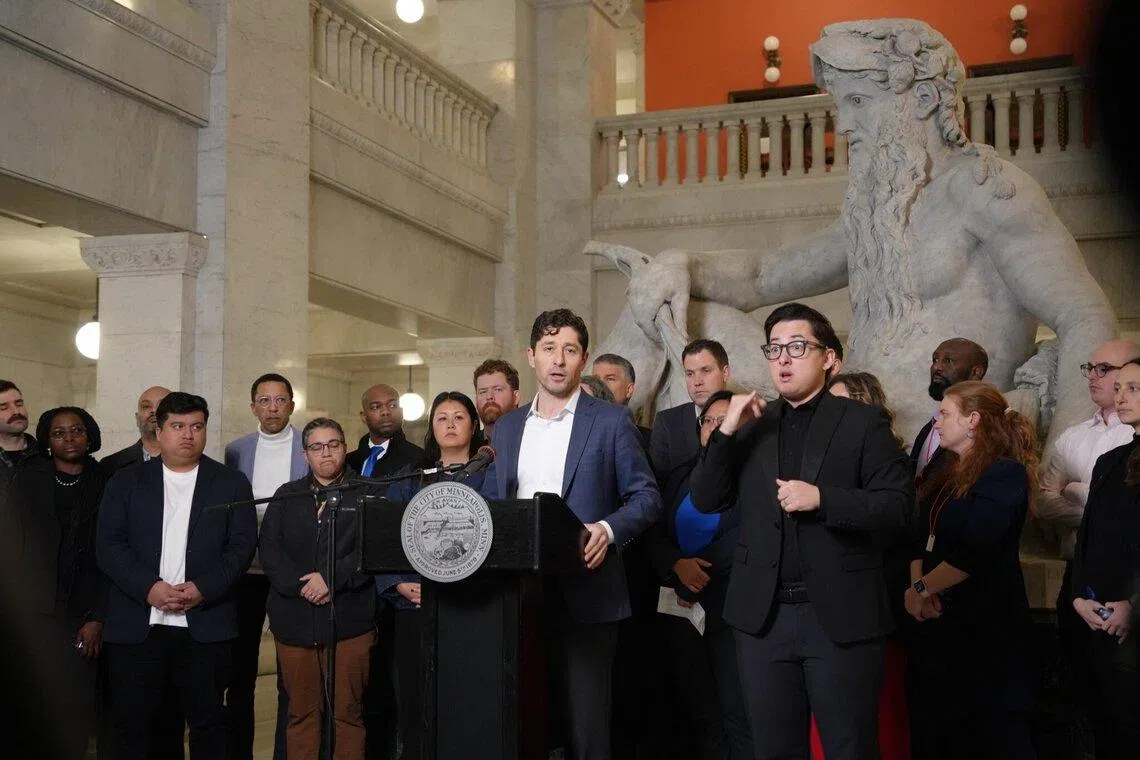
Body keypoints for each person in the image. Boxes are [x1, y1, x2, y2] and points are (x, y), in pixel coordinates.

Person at [623, 19, 1115, 447]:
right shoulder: (877, 209)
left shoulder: (986, 189)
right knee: (663, 294)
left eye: (859, 101)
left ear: (922, 99)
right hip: (843, 415)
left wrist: (1071, 461)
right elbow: (762, 276)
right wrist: (680, 263)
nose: (844, 124)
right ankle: (612, 426)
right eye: (842, 104)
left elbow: (1083, 315)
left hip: (935, 430)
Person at [690, 302, 914, 760]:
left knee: (849, 748)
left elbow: (898, 506)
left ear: (830, 358)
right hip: (762, 620)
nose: (784, 359)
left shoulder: (861, 422)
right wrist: (727, 429)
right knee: (772, 750)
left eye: (797, 347)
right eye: (774, 349)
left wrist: (824, 500)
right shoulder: (752, 423)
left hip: (839, 618)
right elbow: (706, 499)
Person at [481, 308, 661, 760]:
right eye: (548, 349)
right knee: (526, 720)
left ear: (583, 360)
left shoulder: (610, 422)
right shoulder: (508, 427)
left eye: (569, 349)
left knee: (586, 728)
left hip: (589, 588)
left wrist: (607, 528)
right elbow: (492, 505)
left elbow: (647, 498)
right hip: (519, 594)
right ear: (531, 358)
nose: (558, 359)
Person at [97, 392, 257, 759]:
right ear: (160, 428)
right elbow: (108, 545)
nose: (188, 435)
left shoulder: (231, 483)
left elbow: (241, 548)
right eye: (178, 426)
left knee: (209, 726)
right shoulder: (125, 481)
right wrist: (148, 588)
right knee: (137, 727)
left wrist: (203, 588)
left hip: (204, 624)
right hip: (139, 626)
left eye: (197, 426)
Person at [903, 381, 1038, 760]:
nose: (937, 422)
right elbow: (919, 534)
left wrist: (921, 589)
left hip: (984, 626)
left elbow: (975, 550)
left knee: (989, 734)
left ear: (974, 419)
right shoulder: (943, 468)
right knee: (934, 729)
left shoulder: (1003, 473)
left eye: (945, 413)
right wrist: (918, 588)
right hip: (934, 622)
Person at [260, 418, 379, 760]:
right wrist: (303, 586)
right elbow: (269, 550)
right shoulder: (287, 494)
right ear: (305, 454)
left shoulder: (370, 492)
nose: (325, 453)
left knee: (348, 715)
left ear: (345, 448)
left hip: (351, 623)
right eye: (317, 446)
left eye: (333, 444)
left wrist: (331, 578)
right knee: (302, 714)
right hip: (295, 621)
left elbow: (372, 549)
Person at [378, 391, 488, 760]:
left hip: (472, 608)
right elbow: (386, 538)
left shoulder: (493, 476)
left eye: (459, 417)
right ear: (431, 428)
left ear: (474, 426)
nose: (451, 424)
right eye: (442, 417)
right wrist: (396, 582)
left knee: (467, 700)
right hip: (414, 607)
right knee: (414, 699)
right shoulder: (408, 479)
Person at [645, 389, 751, 759]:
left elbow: (751, 536)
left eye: (725, 420)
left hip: (730, 608)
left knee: (737, 708)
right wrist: (677, 563)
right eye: (708, 420)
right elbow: (651, 529)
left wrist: (701, 569)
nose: (715, 427)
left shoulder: (754, 476)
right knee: (697, 709)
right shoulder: (677, 476)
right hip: (679, 605)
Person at [16, 407, 109, 759]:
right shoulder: (28, 479)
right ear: (46, 440)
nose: (69, 439)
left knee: (76, 707)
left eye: (77, 431)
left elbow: (110, 556)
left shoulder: (107, 481)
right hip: (33, 612)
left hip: (83, 614)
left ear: (90, 436)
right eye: (59, 433)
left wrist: (97, 617)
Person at [224, 373, 309, 760]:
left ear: (292, 405)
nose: (272, 407)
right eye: (264, 400)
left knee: (289, 671)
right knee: (239, 669)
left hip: (291, 569)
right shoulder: (236, 450)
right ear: (253, 406)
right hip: (246, 572)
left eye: (280, 400)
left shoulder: (308, 446)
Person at [828, 371, 910, 760]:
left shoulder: (892, 463)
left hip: (878, 601)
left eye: (843, 404)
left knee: (876, 713)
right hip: (827, 606)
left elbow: (894, 527)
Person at [1063, 358, 1140, 759]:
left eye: (1134, 388)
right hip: (1100, 616)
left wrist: (1135, 607)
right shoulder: (1111, 460)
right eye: (1121, 387)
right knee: (1107, 728)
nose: (1121, 395)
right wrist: (1078, 596)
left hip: (1135, 622)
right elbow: (1088, 538)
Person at [1038, 340, 1140, 559]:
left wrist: (1072, 491)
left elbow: (1129, 509)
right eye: (1091, 368)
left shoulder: (1133, 437)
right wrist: (1098, 510)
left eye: (1103, 369)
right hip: (1076, 562)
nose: (1093, 376)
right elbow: (1044, 503)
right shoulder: (1072, 436)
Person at [651, 339, 731, 481]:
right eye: (690, 374)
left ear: (725, 373)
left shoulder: (748, 417)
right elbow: (659, 486)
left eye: (705, 371)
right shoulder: (667, 423)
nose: (697, 382)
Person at [911, 339, 989, 478]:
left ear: (976, 372)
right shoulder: (931, 424)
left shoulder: (988, 428)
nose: (937, 367)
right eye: (935, 359)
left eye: (948, 361)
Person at [347, 384, 426, 478]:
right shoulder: (348, 462)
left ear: (401, 412)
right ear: (363, 417)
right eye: (375, 407)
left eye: (393, 405)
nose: (385, 412)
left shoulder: (419, 459)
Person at [101, 386, 172, 474]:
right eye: (146, 406)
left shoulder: (191, 459)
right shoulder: (110, 465)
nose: (154, 410)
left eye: (162, 405)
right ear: (137, 418)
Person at [473, 359, 522, 443]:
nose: (489, 397)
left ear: (516, 397)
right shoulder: (470, 446)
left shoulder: (531, 439)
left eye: (497, 389)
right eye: (483, 391)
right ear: (476, 400)